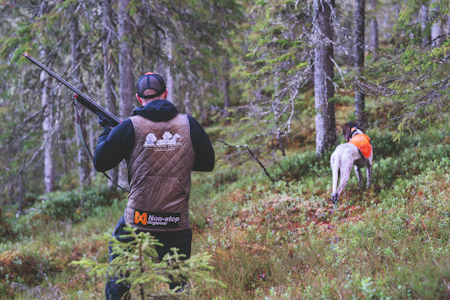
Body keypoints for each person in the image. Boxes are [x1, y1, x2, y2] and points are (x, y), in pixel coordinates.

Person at [94, 72, 215, 299]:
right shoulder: (189, 124)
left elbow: (101, 162)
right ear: (165, 94)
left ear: (139, 99)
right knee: (178, 285)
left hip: (139, 219)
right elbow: (208, 162)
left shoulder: (130, 126)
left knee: (119, 276)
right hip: (176, 220)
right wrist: (177, 157)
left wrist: (107, 132)